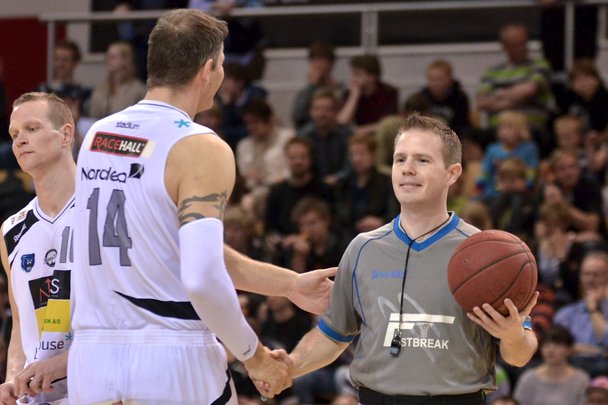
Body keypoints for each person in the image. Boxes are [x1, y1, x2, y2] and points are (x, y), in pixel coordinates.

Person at [67, 9, 333, 403]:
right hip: (171, 354)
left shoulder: (97, 136)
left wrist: (289, 285)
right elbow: (202, 275)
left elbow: (172, 246)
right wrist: (254, 355)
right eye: (222, 64)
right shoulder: (199, 146)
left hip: (92, 360)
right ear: (207, 70)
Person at [269, 113, 539, 402]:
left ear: (452, 173)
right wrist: (289, 367)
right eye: (400, 159)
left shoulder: (486, 252)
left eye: (422, 160)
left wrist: (513, 337)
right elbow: (333, 334)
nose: (407, 169)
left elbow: (519, 356)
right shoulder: (363, 248)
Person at [0, 92, 77, 404]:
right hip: (39, 397)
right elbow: (20, 320)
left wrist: (64, 362)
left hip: (99, 391)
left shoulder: (102, 210)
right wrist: (12, 378)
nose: (20, 140)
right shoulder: (11, 229)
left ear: (65, 135)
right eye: (14, 134)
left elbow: (127, 316)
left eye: (32, 129)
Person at [476, 23, 554, 135]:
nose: (522, 48)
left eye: (524, 43)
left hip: (530, 128)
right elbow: (481, 102)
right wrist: (521, 101)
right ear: (505, 47)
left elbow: (528, 91)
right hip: (497, 130)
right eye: (516, 45)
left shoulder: (539, 65)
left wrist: (496, 96)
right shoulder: (492, 71)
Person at [554, 251, 608, 378]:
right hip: (571, 374)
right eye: (586, 274)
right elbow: (559, 347)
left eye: (596, 275)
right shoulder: (566, 314)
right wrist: (601, 352)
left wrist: (593, 309)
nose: (590, 280)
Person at [513, 325, 590, 405]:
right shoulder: (528, 379)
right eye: (546, 345)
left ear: (569, 349)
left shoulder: (581, 379)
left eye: (557, 345)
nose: (550, 350)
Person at [337, 54, 398, 136]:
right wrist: (355, 95)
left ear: (372, 77)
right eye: (353, 74)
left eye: (357, 75)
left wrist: (357, 131)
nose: (353, 79)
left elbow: (386, 125)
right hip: (357, 138)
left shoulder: (388, 92)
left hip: (379, 136)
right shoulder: (350, 93)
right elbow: (341, 122)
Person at [87, 41, 147, 119]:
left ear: (125, 60)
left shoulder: (139, 90)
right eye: (107, 56)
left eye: (113, 57)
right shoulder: (101, 89)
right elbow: (93, 116)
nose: (108, 60)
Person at [291, 42, 344, 130]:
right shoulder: (306, 92)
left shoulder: (341, 90)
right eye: (314, 61)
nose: (318, 65)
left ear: (330, 63)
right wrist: (312, 86)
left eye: (321, 60)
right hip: (310, 133)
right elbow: (297, 118)